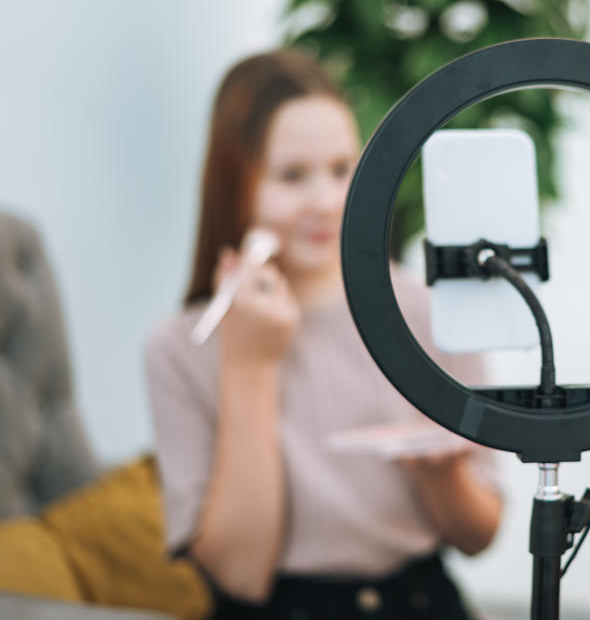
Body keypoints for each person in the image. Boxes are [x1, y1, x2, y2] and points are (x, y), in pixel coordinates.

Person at [143, 49, 503, 620]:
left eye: (342, 169)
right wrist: (249, 366)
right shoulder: (177, 350)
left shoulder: (426, 310)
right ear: (233, 183)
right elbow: (240, 574)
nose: (327, 201)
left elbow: (480, 535)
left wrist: (444, 475)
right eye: (292, 176)